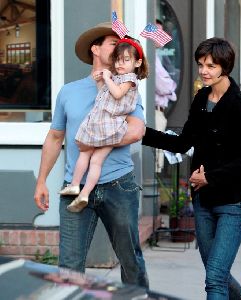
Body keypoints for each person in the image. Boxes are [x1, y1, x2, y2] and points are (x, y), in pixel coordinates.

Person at [34, 22, 149, 288]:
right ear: (95, 48)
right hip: (74, 187)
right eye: (113, 43)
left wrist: (92, 140)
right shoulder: (69, 91)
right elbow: (54, 137)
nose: (120, 47)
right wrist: (41, 181)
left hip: (118, 184)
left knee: (130, 260)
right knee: (69, 266)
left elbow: (136, 131)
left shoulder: (128, 87)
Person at [142, 37, 241, 299]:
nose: (204, 70)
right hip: (203, 201)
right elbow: (183, 143)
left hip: (232, 203)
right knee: (218, 274)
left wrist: (211, 177)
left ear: (225, 67)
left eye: (211, 65)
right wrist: (143, 133)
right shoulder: (201, 99)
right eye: (201, 64)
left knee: (214, 278)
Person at [59, 37, 149, 213]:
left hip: (110, 124)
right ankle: (79, 189)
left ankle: (79, 188)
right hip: (105, 124)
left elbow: (115, 94)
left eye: (126, 60)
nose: (120, 64)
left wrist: (107, 77)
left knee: (88, 154)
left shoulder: (130, 79)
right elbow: (105, 96)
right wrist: (102, 82)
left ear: (137, 62)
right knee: (91, 159)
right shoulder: (118, 79)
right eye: (118, 59)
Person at [154, 19, 177, 173]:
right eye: (157, 31)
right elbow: (164, 85)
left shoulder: (158, 56)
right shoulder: (149, 57)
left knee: (159, 155)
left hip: (160, 111)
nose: (161, 35)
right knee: (156, 157)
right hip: (154, 112)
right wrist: (170, 86)